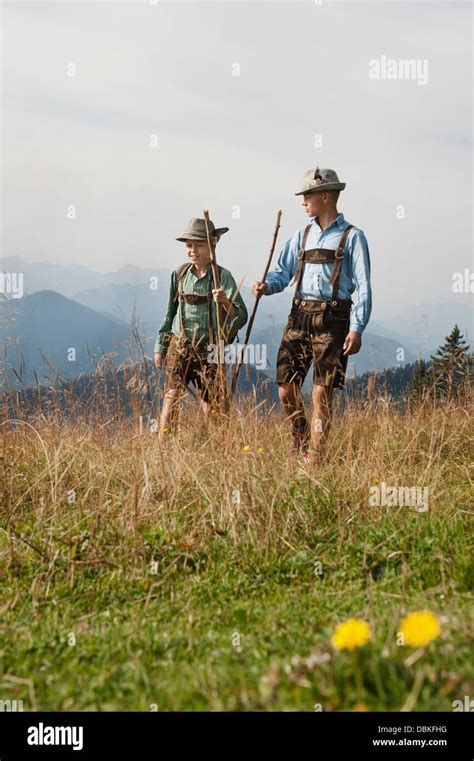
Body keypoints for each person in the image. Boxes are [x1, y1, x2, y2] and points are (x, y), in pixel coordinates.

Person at [252, 167, 372, 465]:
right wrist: (267, 285)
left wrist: (356, 328)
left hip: (334, 319)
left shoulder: (353, 237)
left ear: (326, 195)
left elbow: (364, 285)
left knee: (321, 392)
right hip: (299, 315)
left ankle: (315, 457)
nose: (303, 201)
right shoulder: (301, 235)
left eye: (308, 195)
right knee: (285, 389)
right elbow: (281, 272)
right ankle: (301, 433)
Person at [155, 218, 248, 439]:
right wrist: (161, 345)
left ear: (211, 246)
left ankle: (218, 451)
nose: (192, 250)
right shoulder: (179, 275)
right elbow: (170, 312)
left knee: (211, 405)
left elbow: (241, 315)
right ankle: (162, 450)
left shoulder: (221, 276)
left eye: (198, 245)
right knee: (172, 397)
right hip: (181, 345)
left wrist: (225, 302)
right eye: (189, 245)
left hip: (210, 348)